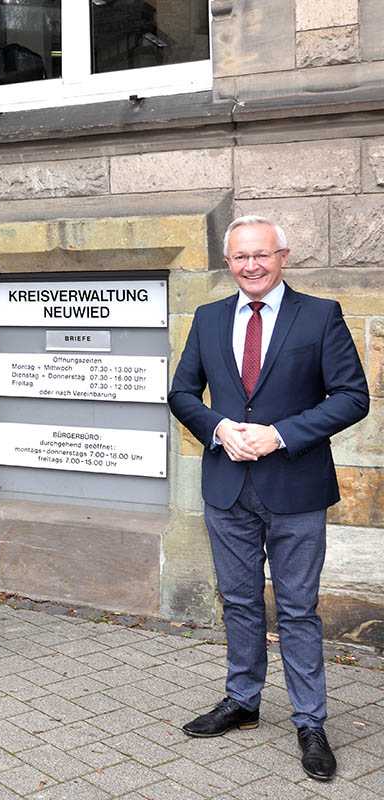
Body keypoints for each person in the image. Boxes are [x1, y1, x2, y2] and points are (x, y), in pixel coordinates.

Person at [168, 216, 369, 782]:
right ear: (228, 263)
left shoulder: (320, 315)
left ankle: (310, 721)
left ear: (283, 256)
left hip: (295, 486)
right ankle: (243, 700)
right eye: (239, 258)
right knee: (239, 601)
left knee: (299, 608)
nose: (250, 266)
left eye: (261, 255)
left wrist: (279, 433)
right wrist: (218, 428)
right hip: (227, 487)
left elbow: (353, 397)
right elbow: (182, 392)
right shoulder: (208, 319)